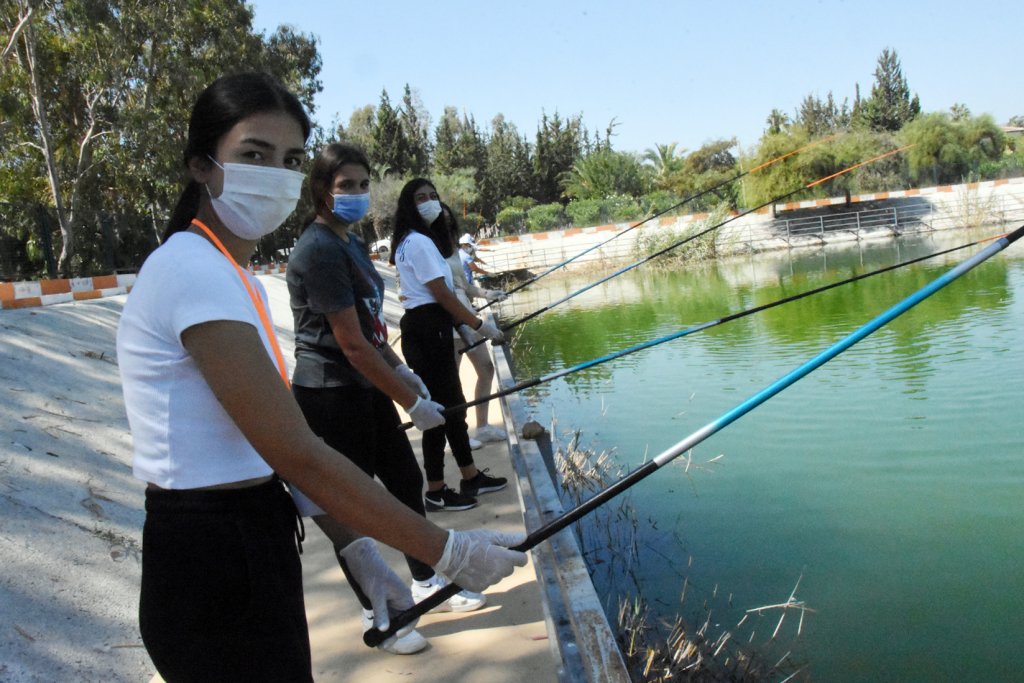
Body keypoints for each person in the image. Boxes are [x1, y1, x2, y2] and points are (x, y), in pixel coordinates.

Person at [115, 72, 526, 681]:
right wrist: (446, 550)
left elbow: (268, 443)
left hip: (252, 534)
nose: (274, 175)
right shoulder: (190, 270)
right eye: (253, 154)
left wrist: (355, 546)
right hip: (211, 557)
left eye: (290, 159)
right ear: (202, 165)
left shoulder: (232, 274)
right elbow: (298, 451)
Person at [286, 143, 488, 655]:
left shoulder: (350, 242)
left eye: (362, 183)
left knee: (404, 481)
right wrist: (411, 401)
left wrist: (403, 374)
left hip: (365, 384)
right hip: (329, 394)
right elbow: (349, 344)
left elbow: (372, 329)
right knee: (350, 508)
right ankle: (381, 614)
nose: (356, 193)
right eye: (344, 185)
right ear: (320, 191)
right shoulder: (319, 250)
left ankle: (423, 581)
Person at [389, 179, 507, 512]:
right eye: (420, 198)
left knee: (452, 409)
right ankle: (436, 490)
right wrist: (479, 325)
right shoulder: (418, 243)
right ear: (408, 206)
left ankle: (470, 477)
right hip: (428, 329)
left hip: (433, 326)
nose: (430, 202)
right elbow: (441, 294)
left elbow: (443, 299)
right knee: (440, 412)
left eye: (433, 196)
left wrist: (465, 328)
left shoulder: (417, 241)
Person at [432, 204, 509, 443]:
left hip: (470, 316)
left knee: (486, 369)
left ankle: (483, 426)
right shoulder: (427, 248)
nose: (443, 223)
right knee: (452, 382)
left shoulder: (453, 248)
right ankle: (458, 434)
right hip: (449, 321)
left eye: (446, 218)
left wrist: (488, 294)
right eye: (438, 219)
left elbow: (464, 287)